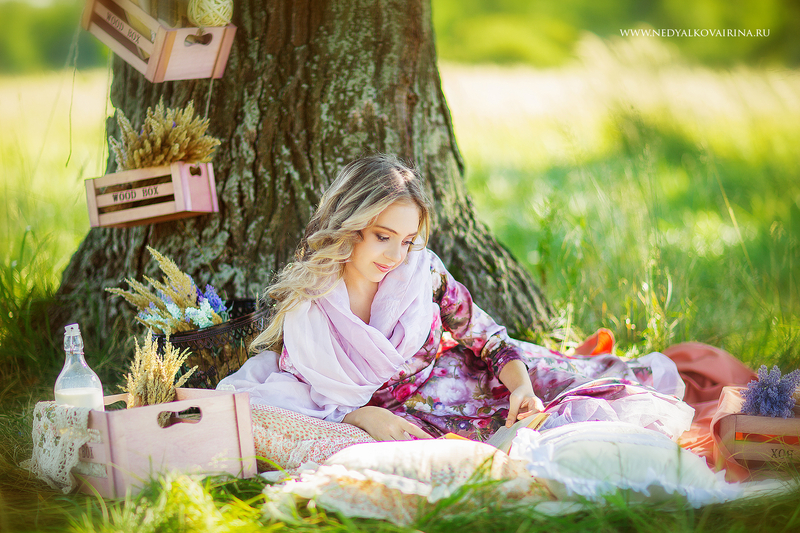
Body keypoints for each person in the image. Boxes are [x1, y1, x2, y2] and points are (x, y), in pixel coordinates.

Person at [218, 154, 693, 443]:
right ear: (350, 225)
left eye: (406, 240)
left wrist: (521, 387)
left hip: (474, 379)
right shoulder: (310, 305)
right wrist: (361, 415)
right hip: (415, 419)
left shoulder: (421, 273)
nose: (395, 256)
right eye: (383, 236)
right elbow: (308, 394)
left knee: (588, 394)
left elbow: (489, 339)